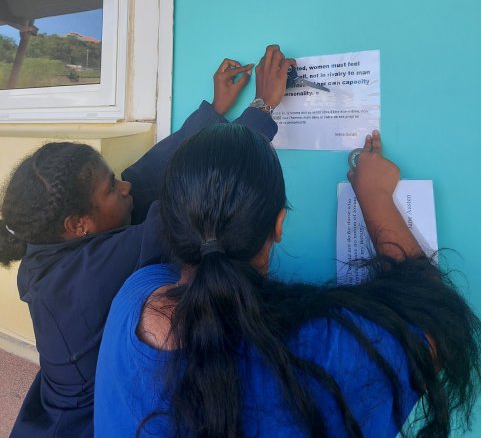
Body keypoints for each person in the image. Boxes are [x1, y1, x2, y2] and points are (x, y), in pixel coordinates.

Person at [94, 125, 481, 438]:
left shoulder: (134, 296)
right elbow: (434, 328)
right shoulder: (320, 356)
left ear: (172, 227)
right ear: (279, 225)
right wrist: (375, 194)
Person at [0, 45, 295, 437]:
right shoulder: (83, 278)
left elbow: (146, 174)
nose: (124, 187)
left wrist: (214, 111)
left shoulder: (53, 243)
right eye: (110, 188)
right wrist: (262, 108)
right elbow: (197, 204)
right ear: (78, 225)